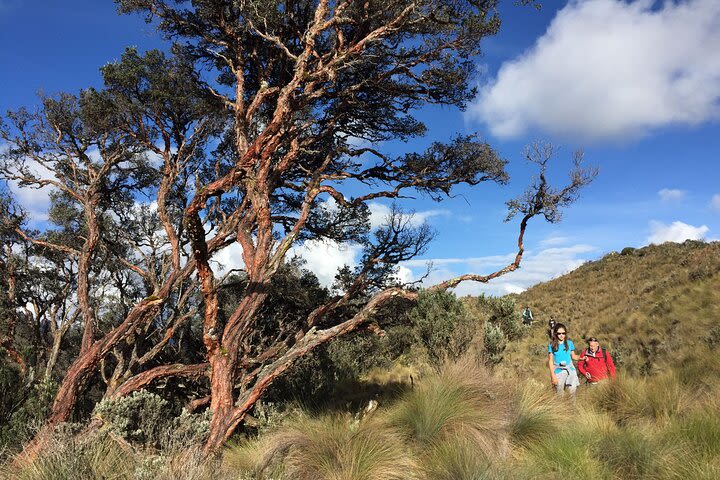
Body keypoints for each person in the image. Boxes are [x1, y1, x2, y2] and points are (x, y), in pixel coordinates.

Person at [548, 323, 580, 396]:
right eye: (559, 333)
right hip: (558, 370)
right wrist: (553, 376)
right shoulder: (551, 345)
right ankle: (561, 407)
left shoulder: (569, 343)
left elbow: (574, 356)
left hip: (570, 369)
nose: (561, 335)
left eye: (563, 333)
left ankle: (572, 407)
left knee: (572, 391)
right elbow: (550, 361)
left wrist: (582, 357)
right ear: (556, 334)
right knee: (559, 393)